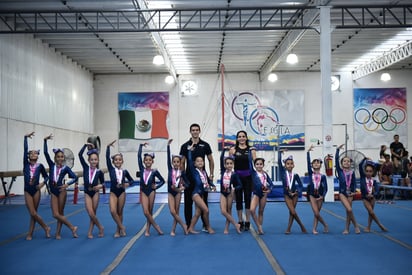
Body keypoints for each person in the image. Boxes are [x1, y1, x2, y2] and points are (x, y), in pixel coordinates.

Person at [180, 123, 214, 231]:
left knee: (204, 202)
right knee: (188, 202)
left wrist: (211, 174)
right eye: (193, 130)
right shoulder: (185, 146)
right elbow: (182, 162)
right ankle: (189, 225)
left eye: (196, 130)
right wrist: (182, 177)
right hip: (189, 178)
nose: (195, 131)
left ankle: (205, 225)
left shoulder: (205, 145)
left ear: (199, 131)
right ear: (190, 132)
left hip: (202, 178)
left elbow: (210, 160)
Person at [44, 134, 78, 239]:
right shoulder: (51, 165)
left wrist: (67, 184)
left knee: (61, 212)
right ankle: (72, 227)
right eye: (58, 156)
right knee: (55, 214)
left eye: (61, 156)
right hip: (53, 191)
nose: (60, 158)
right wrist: (45, 141)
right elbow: (45, 153)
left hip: (61, 190)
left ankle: (58, 233)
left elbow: (75, 178)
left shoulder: (66, 168)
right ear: (55, 157)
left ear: (64, 158)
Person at [23, 132, 51, 240]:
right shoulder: (25, 164)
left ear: (38, 156)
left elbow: (46, 177)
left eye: (35, 153)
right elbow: (25, 150)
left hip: (36, 190)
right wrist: (25, 138)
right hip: (27, 190)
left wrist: (43, 183)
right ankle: (46, 227)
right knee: (32, 212)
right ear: (28, 156)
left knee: (33, 213)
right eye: (31, 153)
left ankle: (30, 233)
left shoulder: (40, 166)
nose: (33, 154)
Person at [106, 140, 134, 238]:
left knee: (119, 212)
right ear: (113, 162)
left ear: (122, 161)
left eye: (120, 160)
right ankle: (122, 227)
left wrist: (127, 184)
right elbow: (107, 159)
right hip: (113, 192)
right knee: (113, 211)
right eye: (116, 160)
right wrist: (108, 148)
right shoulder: (111, 169)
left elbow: (132, 181)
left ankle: (118, 231)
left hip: (122, 192)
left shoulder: (125, 171)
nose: (118, 161)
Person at [229, 130, 256, 231]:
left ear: (246, 138)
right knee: (239, 199)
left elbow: (256, 164)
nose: (241, 138)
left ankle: (248, 221)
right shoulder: (233, 150)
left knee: (248, 199)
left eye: (243, 136)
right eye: (239, 136)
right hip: (237, 178)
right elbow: (229, 164)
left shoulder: (251, 150)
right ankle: (240, 221)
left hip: (248, 177)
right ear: (237, 138)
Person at [186, 144, 216, 234]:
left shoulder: (204, 172)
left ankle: (190, 228)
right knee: (206, 210)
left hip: (201, 193)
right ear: (195, 163)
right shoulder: (194, 170)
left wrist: (213, 185)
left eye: (201, 161)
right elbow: (190, 160)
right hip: (195, 194)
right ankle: (208, 227)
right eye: (198, 161)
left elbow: (208, 181)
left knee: (198, 213)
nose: (200, 162)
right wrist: (189, 151)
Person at [138, 143, 165, 236]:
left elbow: (162, 181)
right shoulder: (142, 169)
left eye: (150, 160)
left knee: (150, 211)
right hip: (144, 192)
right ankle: (156, 226)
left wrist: (156, 187)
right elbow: (138, 157)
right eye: (146, 160)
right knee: (146, 212)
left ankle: (147, 230)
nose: (148, 161)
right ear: (144, 161)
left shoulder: (154, 171)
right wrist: (140, 146)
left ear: (152, 161)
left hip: (151, 191)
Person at [79, 143, 105, 239]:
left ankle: (90, 231)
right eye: (92, 159)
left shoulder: (99, 172)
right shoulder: (86, 168)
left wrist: (100, 186)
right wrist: (85, 145)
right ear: (88, 160)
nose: (93, 161)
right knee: (90, 213)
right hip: (87, 192)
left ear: (98, 160)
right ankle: (100, 227)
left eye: (95, 159)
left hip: (95, 193)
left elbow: (104, 183)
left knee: (93, 213)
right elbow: (79, 155)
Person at [278, 149, 307, 234]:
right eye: (288, 164)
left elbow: (301, 185)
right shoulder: (283, 173)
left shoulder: (295, 175)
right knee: (293, 211)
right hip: (287, 195)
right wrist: (279, 153)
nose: (290, 165)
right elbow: (279, 163)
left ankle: (288, 229)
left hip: (295, 195)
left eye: (291, 164)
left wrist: (297, 191)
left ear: (294, 165)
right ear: (285, 166)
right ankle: (302, 226)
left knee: (291, 212)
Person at [336, 144, 360, 235]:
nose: (346, 162)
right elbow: (336, 160)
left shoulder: (352, 172)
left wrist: (354, 192)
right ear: (342, 163)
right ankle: (356, 226)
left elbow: (354, 183)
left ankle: (346, 228)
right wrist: (337, 150)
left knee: (348, 212)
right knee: (349, 210)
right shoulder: (340, 171)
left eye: (348, 161)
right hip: (342, 193)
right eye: (344, 161)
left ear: (351, 163)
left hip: (350, 193)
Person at [166, 139, 189, 236]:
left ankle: (173, 230)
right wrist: (168, 146)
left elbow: (188, 184)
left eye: (177, 162)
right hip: (171, 193)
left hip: (178, 193)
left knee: (176, 211)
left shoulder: (182, 173)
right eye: (174, 162)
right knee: (172, 211)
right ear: (172, 163)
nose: (175, 163)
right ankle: (183, 224)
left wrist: (182, 188)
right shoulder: (170, 169)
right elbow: (167, 158)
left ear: (180, 163)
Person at [359, 158, 388, 232]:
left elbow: (377, 191)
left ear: (373, 172)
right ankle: (380, 225)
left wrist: (373, 194)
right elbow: (360, 165)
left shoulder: (374, 181)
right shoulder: (363, 178)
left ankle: (368, 227)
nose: (368, 173)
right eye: (367, 171)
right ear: (364, 171)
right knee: (371, 212)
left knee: (370, 213)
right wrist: (364, 159)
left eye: (370, 171)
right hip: (365, 198)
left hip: (372, 198)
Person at [306, 145, 328, 235]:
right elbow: (308, 163)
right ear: (312, 165)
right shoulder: (311, 173)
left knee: (317, 213)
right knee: (316, 212)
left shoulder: (323, 176)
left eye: (318, 162)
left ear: (320, 165)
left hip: (319, 196)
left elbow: (326, 187)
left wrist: (322, 196)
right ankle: (325, 225)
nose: (316, 164)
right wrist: (308, 153)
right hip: (312, 194)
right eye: (314, 163)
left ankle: (314, 228)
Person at [220, 147, 242, 234]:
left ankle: (226, 228)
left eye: (230, 163)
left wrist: (234, 188)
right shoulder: (223, 171)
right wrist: (224, 150)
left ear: (233, 164)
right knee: (223, 211)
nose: (229, 165)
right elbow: (221, 158)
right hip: (223, 193)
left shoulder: (235, 174)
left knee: (229, 211)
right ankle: (236, 224)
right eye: (227, 163)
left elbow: (240, 185)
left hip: (230, 194)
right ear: (225, 165)